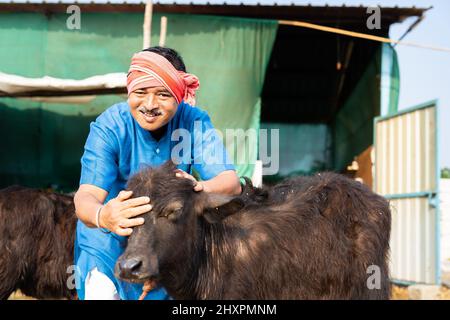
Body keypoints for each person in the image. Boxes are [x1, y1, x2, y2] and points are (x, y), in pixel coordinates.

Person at [73, 46, 241, 300]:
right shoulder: (110, 126)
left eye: (163, 94)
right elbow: (85, 198)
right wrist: (103, 215)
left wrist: (200, 188)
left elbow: (231, 183)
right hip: (108, 241)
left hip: (165, 245)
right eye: (140, 92)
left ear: (180, 95)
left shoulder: (193, 121)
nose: (150, 105)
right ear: (129, 92)